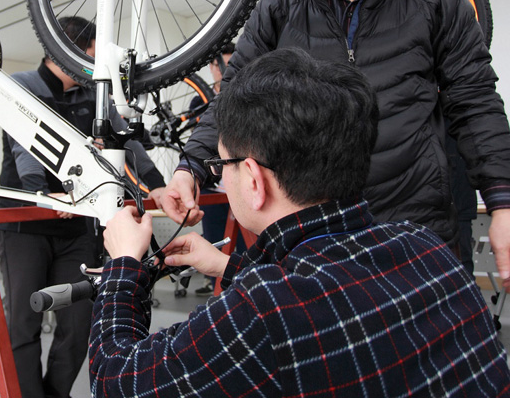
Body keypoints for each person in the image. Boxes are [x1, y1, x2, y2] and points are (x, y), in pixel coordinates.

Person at [158, 0, 510, 289]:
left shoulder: (436, 4)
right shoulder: (278, 12)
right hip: (308, 233)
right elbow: (232, 100)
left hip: (414, 227)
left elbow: (476, 105)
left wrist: (503, 205)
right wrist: (188, 168)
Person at [90, 48, 510, 397]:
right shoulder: (426, 248)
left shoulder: (260, 312)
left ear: (253, 179)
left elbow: (115, 383)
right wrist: (226, 266)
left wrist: (124, 265)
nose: (220, 175)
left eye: (220, 164)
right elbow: (326, 294)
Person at [0, 16, 165, 398]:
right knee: (24, 324)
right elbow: (26, 146)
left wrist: (160, 186)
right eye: (91, 55)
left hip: (76, 229)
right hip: (26, 226)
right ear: (65, 51)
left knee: (78, 324)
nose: (96, 65)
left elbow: (126, 142)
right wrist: (44, 193)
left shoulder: (93, 96)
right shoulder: (22, 86)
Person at [190, 43, 246, 295]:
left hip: (241, 186)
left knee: (246, 248)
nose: (223, 70)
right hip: (212, 187)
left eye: (229, 64)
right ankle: (218, 297)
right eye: (219, 65)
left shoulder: (244, 95)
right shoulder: (197, 100)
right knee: (214, 245)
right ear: (212, 67)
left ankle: (245, 295)